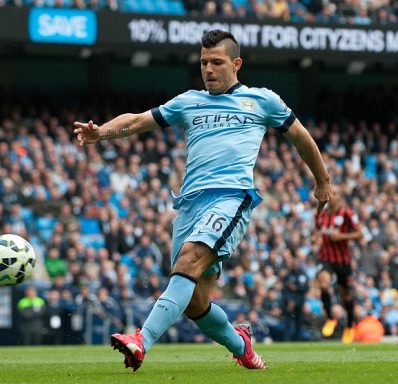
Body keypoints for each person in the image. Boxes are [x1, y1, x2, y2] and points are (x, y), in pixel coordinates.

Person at [73, 29, 331, 371]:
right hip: (189, 204)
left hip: (231, 197)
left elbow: (300, 137)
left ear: (236, 64)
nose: (208, 69)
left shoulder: (262, 100)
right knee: (195, 303)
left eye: (217, 62)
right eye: (203, 62)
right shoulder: (188, 101)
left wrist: (323, 181)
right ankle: (242, 346)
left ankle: (141, 341)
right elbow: (137, 121)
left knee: (189, 261)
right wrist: (101, 132)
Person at [313, 184, 363, 343]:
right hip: (326, 257)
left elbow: (360, 234)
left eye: (334, 194)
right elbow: (317, 231)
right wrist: (315, 238)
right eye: (330, 194)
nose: (331, 197)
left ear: (340, 197)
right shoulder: (321, 214)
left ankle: (349, 326)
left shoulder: (347, 213)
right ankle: (330, 318)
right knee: (323, 283)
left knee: (346, 295)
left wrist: (342, 237)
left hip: (343, 260)